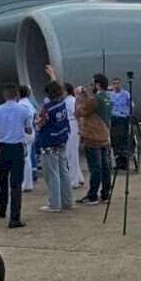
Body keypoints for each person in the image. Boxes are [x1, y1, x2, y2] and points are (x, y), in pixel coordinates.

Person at [0, 84, 33, 229]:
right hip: (17, 148)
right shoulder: (24, 110)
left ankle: (2, 207)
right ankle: (15, 217)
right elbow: (28, 129)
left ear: (5, 95)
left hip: (3, 147)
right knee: (16, 183)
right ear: (17, 95)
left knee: (2, 179)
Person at [36, 79, 73, 213]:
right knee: (64, 171)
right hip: (62, 138)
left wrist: (37, 123)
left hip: (49, 142)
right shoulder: (62, 101)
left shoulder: (48, 108)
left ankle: (54, 204)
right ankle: (67, 201)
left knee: (52, 174)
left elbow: (40, 123)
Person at [75, 75, 112, 205]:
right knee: (105, 167)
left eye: (92, 85)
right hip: (104, 136)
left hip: (92, 137)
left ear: (97, 85)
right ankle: (105, 194)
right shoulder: (107, 98)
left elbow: (80, 112)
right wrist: (86, 95)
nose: (91, 87)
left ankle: (92, 195)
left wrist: (79, 97)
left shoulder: (95, 99)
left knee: (95, 168)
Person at [63, 82, 85, 188]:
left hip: (72, 125)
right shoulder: (68, 100)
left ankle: (74, 180)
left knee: (71, 154)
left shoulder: (71, 101)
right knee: (72, 153)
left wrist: (80, 128)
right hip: (70, 125)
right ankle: (79, 177)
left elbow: (77, 115)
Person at [109, 78, 131, 170]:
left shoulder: (126, 94)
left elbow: (131, 105)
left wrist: (127, 113)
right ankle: (118, 162)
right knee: (115, 141)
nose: (116, 85)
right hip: (114, 118)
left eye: (118, 83)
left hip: (122, 118)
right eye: (114, 84)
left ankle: (124, 162)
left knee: (123, 140)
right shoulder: (110, 95)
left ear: (120, 84)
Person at [18, 85, 37, 192]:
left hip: (24, 133)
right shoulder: (29, 103)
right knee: (27, 158)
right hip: (30, 132)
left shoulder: (21, 105)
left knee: (24, 159)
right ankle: (28, 182)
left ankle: (26, 183)